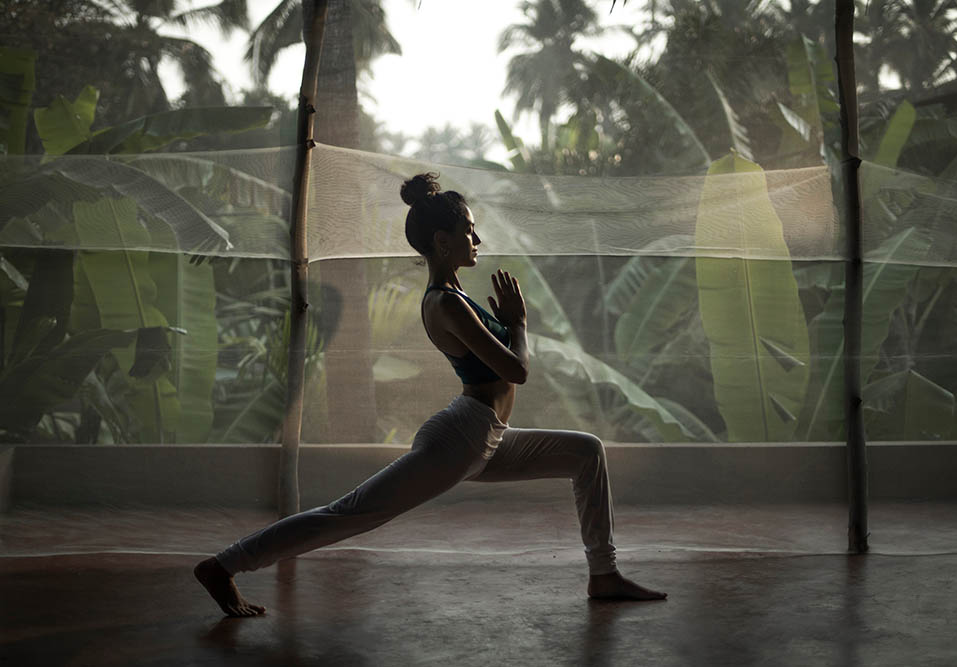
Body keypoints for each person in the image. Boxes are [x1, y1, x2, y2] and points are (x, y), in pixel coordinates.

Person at [195, 172, 666, 617]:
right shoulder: (446, 303)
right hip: (459, 440)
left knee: (586, 452)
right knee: (350, 514)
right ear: (443, 241)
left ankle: (604, 574)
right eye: (469, 231)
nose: (477, 241)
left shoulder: (459, 296)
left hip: (487, 437)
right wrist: (519, 322)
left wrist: (510, 320)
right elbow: (517, 370)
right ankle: (224, 565)